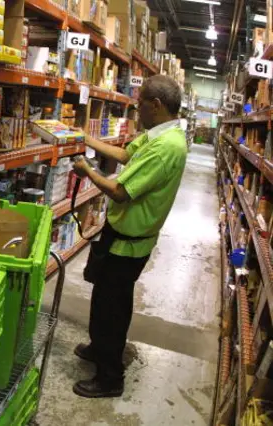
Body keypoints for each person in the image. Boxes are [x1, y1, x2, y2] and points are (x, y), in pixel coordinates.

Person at [71, 74, 188, 398]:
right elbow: (124, 156)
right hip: (120, 235)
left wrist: (88, 171)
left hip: (130, 243)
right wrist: (83, 137)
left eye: (139, 104)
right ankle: (98, 348)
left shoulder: (166, 147)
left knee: (113, 307)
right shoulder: (158, 134)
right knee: (103, 296)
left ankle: (110, 378)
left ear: (156, 105)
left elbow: (120, 191)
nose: (136, 109)